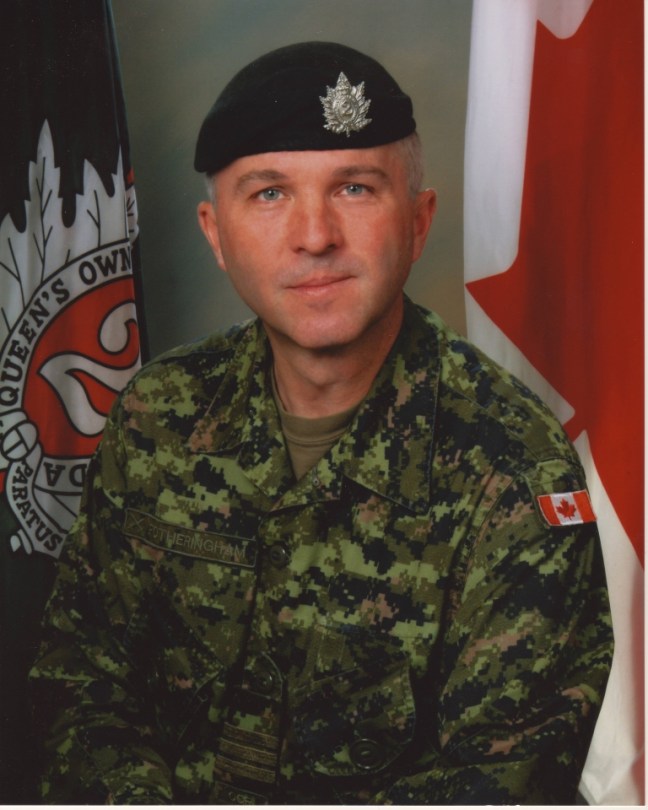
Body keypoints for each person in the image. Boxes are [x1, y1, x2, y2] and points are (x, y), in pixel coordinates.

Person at [29, 41, 613, 805]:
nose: (314, 235)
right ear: (215, 233)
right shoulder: (156, 417)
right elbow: (82, 687)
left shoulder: (514, 464)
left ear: (419, 221)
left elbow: (500, 781)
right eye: (269, 193)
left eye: (355, 189)